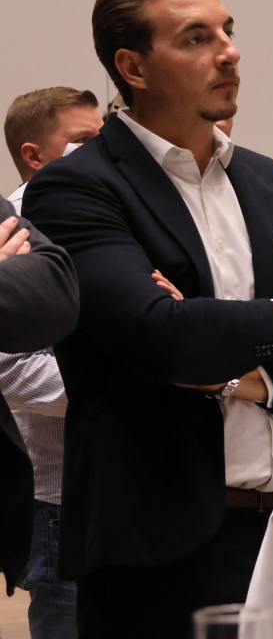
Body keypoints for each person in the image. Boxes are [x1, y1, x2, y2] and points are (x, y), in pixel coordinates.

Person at [23, 0, 273, 638]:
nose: (229, 52)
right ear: (132, 67)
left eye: (227, 31)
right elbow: (164, 337)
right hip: (164, 547)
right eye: (196, 38)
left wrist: (245, 380)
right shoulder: (78, 188)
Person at [1, 86, 103, 638]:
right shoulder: (13, 227)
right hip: (58, 489)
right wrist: (118, 382)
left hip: (125, 475)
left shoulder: (107, 210)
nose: (100, 151)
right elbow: (11, 370)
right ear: (34, 154)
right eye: (83, 141)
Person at [0, 200, 78, 604]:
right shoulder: (26, 208)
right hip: (61, 497)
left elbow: (55, 289)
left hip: (154, 486)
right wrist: (145, 385)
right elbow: (13, 370)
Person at [4, 87, 104, 211]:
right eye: (83, 139)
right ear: (34, 156)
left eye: (103, 137)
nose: (103, 147)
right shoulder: (26, 214)